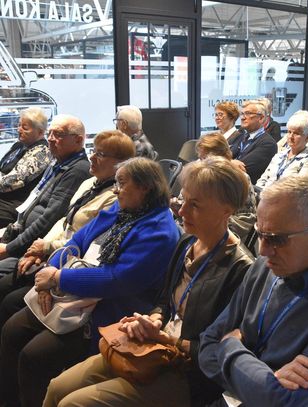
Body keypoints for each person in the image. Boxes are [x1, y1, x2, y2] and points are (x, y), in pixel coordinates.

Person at [44, 157, 254, 407]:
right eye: (182, 200)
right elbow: (163, 301)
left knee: (73, 403)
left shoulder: (240, 269)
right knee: (57, 387)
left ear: (226, 211)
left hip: (185, 370)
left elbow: (219, 350)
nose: (182, 211)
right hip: (155, 347)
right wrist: (153, 319)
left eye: (195, 205)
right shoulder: (187, 242)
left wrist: (168, 339)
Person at [0, 157, 179, 407]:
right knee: (12, 329)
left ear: (145, 187)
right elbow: (77, 240)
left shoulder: (160, 232)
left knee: (34, 356)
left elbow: (116, 280)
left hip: (106, 310)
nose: (115, 190)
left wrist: (58, 278)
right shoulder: (121, 209)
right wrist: (51, 273)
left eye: (122, 183)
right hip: (74, 292)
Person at [198, 176, 308, 407]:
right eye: (260, 234)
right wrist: (263, 383)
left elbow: (285, 403)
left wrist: (231, 346)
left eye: (277, 239)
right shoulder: (264, 267)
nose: (263, 250)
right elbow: (207, 346)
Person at [0, 130, 136, 330]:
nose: (91, 157)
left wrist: (47, 251)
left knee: (10, 301)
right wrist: (39, 247)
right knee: (7, 288)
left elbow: (87, 242)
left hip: (70, 262)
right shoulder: (89, 183)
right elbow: (65, 221)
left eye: (100, 154)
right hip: (52, 253)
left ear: (120, 163)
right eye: (93, 151)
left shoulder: (116, 198)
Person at [0, 114, 91, 263]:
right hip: (20, 233)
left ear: (78, 140)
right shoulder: (58, 163)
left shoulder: (77, 170)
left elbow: (50, 218)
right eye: (50, 133)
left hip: (33, 246)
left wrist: (9, 248)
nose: (50, 138)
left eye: (58, 134)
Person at [192, 133, 257, 243]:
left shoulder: (239, 179)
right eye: (200, 159)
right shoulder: (201, 175)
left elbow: (246, 218)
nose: (201, 163)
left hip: (225, 235)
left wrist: (213, 222)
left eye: (205, 158)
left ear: (221, 157)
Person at [0, 107, 52, 227]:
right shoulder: (18, 145)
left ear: (40, 132)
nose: (19, 130)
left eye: (25, 128)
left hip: (12, 203)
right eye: (19, 125)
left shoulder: (42, 152)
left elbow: (12, 181)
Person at [256, 114, 308, 189]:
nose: (291, 136)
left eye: (296, 133)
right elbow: (264, 178)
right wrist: (258, 191)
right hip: (263, 193)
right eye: (289, 132)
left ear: (307, 138)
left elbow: (299, 188)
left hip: (283, 195)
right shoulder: (280, 155)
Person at [228, 100, 277, 184]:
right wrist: (230, 162)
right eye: (242, 114)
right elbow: (219, 156)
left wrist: (226, 162)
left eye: (248, 113)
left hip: (245, 187)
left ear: (261, 118)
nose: (242, 118)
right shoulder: (240, 136)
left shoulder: (268, 144)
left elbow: (241, 169)